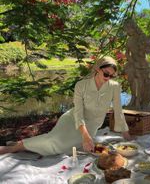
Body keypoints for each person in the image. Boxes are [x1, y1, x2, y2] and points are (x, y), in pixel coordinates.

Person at [0, 56, 132, 156]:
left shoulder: (115, 87)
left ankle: (24, 145)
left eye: (112, 75)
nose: (108, 78)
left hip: (92, 126)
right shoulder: (81, 85)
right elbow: (78, 113)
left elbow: (118, 110)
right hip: (72, 120)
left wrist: (126, 133)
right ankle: (15, 147)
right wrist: (85, 136)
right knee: (53, 142)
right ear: (97, 69)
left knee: (69, 149)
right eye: (106, 74)